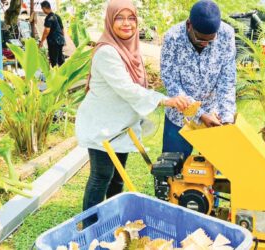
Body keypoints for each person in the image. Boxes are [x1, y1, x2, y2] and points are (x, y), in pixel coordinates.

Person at [75, 0, 190, 226]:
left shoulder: (130, 49)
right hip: (102, 125)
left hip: (120, 124)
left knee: (118, 177)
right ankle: (89, 226)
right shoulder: (107, 52)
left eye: (131, 18)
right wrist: (165, 100)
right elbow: (126, 88)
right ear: (110, 21)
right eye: (120, 18)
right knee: (101, 176)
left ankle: (113, 220)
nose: (126, 24)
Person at [161, 0, 237, 159]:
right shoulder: (172, 37)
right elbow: (170, 80)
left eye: (210, 41)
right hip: (180, 118)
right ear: (189, 25)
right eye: (200, 39)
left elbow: (227, 80)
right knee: (172, 171)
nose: (205, 44)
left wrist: (227, 119)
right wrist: (199, 114)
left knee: (215, 172)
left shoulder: (226, 34)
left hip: (213, 115)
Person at [39, 1, 65, 67]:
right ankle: (63, 74)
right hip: (60, 40)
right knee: (60, 59)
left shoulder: (49, 18)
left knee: (53, 60)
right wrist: (63, 38)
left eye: (42, 9)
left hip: (54, 42)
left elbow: (47, 30)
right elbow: (62, 29)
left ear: (44, 8)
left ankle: (55, 75)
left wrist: (41, 41)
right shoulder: (57, 16)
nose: (43, 11)